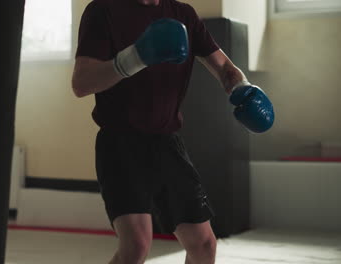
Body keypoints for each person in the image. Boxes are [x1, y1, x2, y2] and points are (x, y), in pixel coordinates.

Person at [71, 0, 274, 263]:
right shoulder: (103, 10)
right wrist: (135, 57)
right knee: (136, 245)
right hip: (120, 143)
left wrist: (242, 88)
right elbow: (81, 83)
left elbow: (224, 67)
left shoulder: (183, 15)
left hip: (167, 143)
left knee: (203, 245)